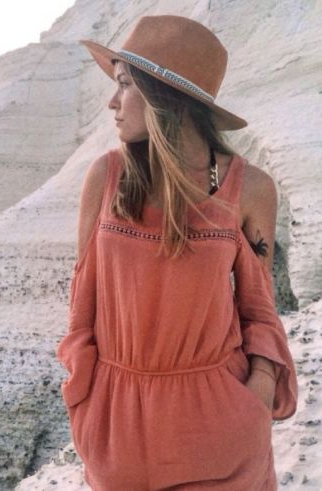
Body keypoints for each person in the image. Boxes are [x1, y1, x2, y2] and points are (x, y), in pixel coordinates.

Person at [55, 15, 299, 490]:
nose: (112, 101)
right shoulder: (105, 179)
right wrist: (86, 402)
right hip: (117, 437)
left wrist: (257, 397)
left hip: (221, 432)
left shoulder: (249, 188)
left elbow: (259, 308)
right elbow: (82, 307)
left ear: (165, 98)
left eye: (124, 84)